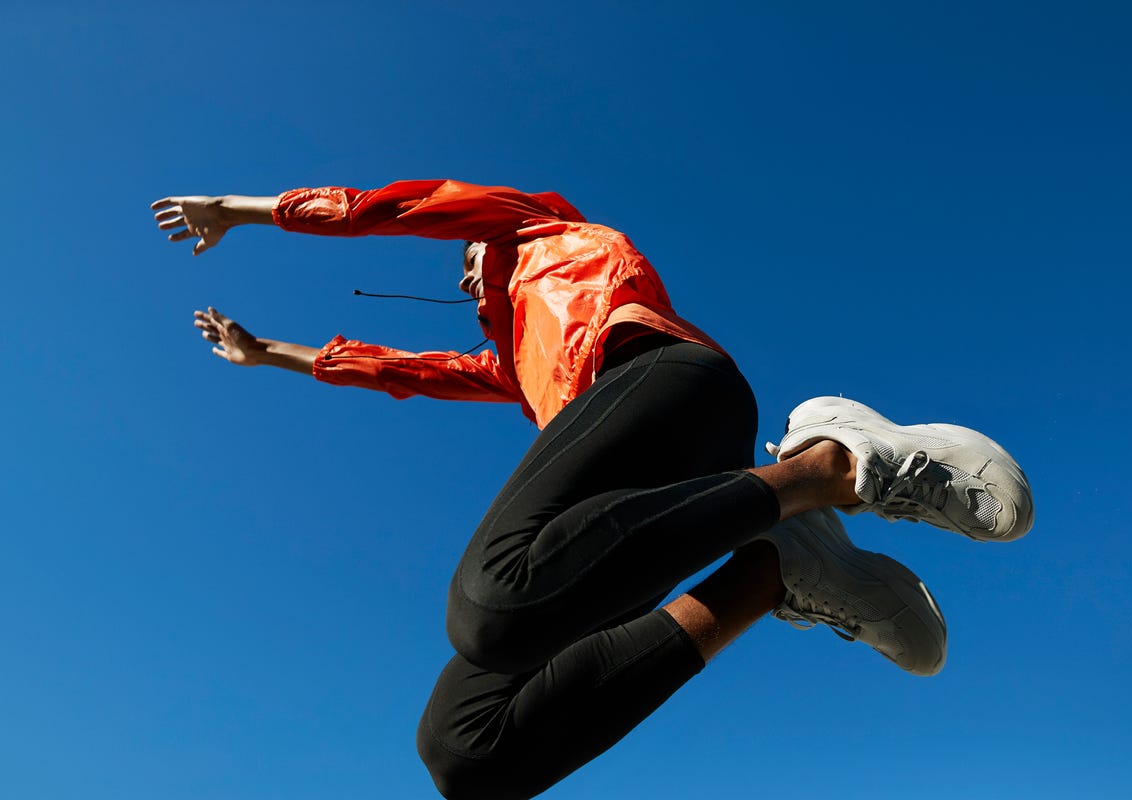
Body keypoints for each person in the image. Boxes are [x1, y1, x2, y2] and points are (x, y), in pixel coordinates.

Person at [152, 180, 1033, 800]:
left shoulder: (531, 229)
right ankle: (769, 572)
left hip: (674, 384)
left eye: (469, 262)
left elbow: (397, 207)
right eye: (468, 279)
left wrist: (238, 210)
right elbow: (406, 371)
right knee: (466, 751)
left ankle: (834, 464)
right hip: (642, 499)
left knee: (491, 606)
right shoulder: (513, 365)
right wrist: (267, 352)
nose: (468, 277)